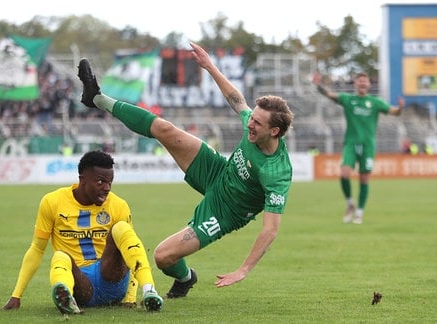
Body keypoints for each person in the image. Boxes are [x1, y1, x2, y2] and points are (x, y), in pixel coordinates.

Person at [77, 41, 294, 298]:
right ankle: (97, 98)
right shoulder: (254, 124)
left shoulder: (277, 171)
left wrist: (243, 270)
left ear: (274, 131)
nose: (250, 124)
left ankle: (186, 277)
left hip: (225, 212)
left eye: (257, 123)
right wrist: (210, 66)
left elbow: (270, 229)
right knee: (165, 129)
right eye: (252, 118)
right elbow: (238, 100)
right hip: (217, 172)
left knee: (162, 256)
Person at [2, 150, 163, 315]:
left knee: (122, 228)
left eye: (110, 182)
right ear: (82, 180)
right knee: (60, 256)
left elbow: (131, 249)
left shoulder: (118, 205)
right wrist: (16, 295)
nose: (106, 188)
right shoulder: (52, 202)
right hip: (80, 285)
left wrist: (130, 298)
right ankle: (66, 297)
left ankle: (149, 290)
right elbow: (37, 249)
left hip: (110, 279)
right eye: (100, 182)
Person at [312, 72, 404, 224]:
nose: (362, 83)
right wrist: (317, 85)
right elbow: (329, 94)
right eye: (360, 81)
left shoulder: (375, 102)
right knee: (344, 173)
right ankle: (350, 203)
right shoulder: (348, 100)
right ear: (355, 84)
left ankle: (360, 212)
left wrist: (400, 108)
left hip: (368, 145)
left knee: (364, 178)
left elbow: (395, 112)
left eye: (365, 81)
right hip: (351, 143)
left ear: (369, 85)